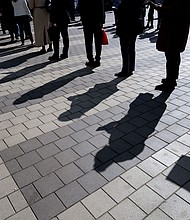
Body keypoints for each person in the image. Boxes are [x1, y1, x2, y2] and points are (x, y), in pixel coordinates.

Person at [149, 0, 190, 91]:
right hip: (178, 28)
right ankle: (172, 78)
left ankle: (170, 82)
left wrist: (156, 7)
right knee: (174, 55)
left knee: (171, 56)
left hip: (174, 30)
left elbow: (171, 10)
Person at [115, 0, 145, 77]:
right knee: (131, 48)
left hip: (125, 27)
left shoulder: (126, 2)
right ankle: (130, 68)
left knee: (125, 49)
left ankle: (125, 70)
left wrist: (117, 10)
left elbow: (122, 13)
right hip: (134, 27)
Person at [78, 0, 105, 67]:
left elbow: (81, 8)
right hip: (97, 21)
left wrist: (83, 20)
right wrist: (102, 21)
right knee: (98, 42)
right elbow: (102, 7)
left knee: (88, 42)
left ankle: (90, 59)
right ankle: (98, 59)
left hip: (87, 21)